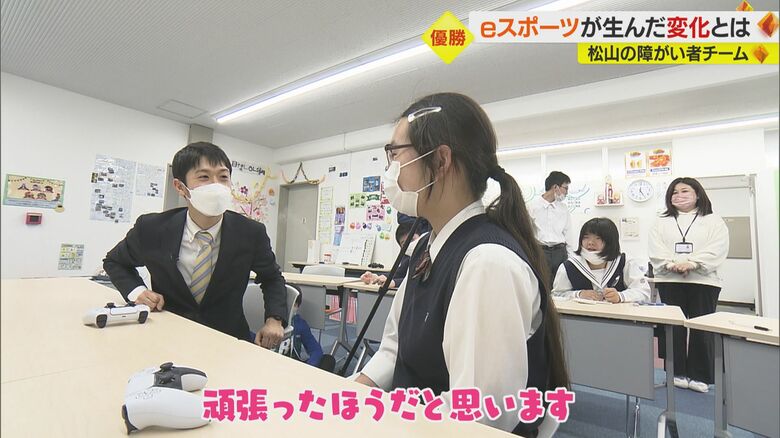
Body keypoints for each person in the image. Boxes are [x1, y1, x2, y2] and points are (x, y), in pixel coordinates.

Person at [354, 93, 569, 436]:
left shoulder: (487, 263)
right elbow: (395, 347)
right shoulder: (426, 244)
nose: (390, 170)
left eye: (396, 154)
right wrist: (353, 391)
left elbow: (479, 415)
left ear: (441, 160)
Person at [103, 142, 286, 348]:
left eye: (223, 177)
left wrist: (274, 319)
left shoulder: (250, 232)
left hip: (228, 339)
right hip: (166, 333)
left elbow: (272, 278)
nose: (216, 185)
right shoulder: (152, 228)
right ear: (180, 187)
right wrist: (137, 292)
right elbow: (114, 262)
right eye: (204, 177)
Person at [649, 177, 729, 393]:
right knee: (672, 327)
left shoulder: (713, 220)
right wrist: (671, 264)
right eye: (674, 192)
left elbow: (718, 247)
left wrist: (693, 263)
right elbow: (656, 247)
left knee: (702, 327)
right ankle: (676, 372)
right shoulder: (661, 221)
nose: (679, 196)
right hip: (670, 279)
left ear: (698, 194)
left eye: (685, 191)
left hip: (703, 280)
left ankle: (701, 375)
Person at [552, 218, 650, 303]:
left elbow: (643, 292)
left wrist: (621, 296)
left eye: (598, 238)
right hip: (582, 316)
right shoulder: (569, 266)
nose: (590, 243)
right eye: (586, 237)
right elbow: (556, 295)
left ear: (610, 242)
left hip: (618, 316)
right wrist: (578, 294)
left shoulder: (625, 262)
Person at [529, 171, 572, 283]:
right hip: (540, 252)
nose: (567, 192)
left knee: (561, 284)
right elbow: (527, 233)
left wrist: (572, 257)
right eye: (565, 188)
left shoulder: (563, 208)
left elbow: (568, 233)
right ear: (555, 187)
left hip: (560, 252)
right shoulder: (532, 207)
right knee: (542, 284)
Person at [281, 286, 336, 372]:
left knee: (328, 360)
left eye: (295, 304)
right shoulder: (266, 321)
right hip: (272, 365)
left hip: (294, 366)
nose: (291, 307)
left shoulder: (299, 323)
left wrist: (309, 367)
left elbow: (315, 350)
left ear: (298, 306)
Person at [360, 221, 421, 288]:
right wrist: (376, 277)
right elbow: (398, 273)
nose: (409, 245)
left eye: (412, 240)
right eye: (404, 244)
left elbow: (418, 279)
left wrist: (394, 282)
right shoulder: (407, 255)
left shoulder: (427, 255)